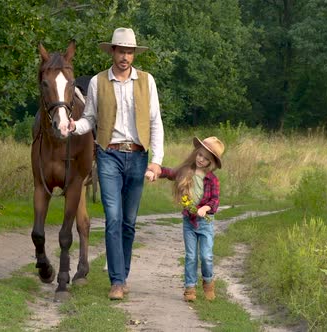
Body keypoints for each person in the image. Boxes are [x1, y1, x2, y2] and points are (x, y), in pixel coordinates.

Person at [67, 27, 164, 300]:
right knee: (113, 218)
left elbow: (156, 123)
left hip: (137, 156)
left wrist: (156, 161)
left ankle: (123, 273)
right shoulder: (98, 82)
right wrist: (74, 126)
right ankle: (117, 281)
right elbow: (90, 120)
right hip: (108, 154)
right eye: (121, 50)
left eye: (129, 51)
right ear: (112, 51)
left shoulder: (147, 82)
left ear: (134, 54)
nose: (125, 56)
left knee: (129, 222)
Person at [145, 136, 224, 302]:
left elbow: (215, 200)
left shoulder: (212, 180)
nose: (201, 159)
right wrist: (155, 171)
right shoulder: (187, 171)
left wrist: (205, 208)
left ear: (212, 162)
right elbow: (169, 173)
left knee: (206, 256)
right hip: (189, 222)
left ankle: (208, 283)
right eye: (200, 155)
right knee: (190, 256)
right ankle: (190, 287)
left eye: (206, 158)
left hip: (205, 223)